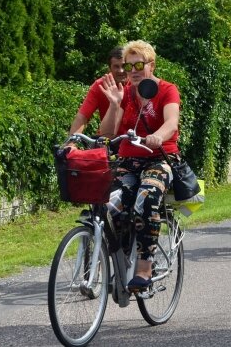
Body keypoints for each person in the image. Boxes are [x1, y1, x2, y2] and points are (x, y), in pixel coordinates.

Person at [97, 40, 181, 291]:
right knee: (109, 206)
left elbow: (171, 122)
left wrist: (159, 136)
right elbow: (108, 133)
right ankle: (120, 263)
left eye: (138, 65)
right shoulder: (125, 94)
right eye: (128, 65)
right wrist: (114, 104)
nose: (132, 70)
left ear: (151, 65)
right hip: (128, 162)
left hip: (159, 159)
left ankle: (144, 268)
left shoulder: (167, 89)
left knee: (146, 197)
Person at [68, 47, 126, 136]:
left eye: (124, 66)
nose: (121, 71)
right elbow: (82, 117)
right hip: (107, 138)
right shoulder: (100, 86)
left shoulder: (136, 84)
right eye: (116, 66)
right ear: (109, 68)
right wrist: (71, 143)